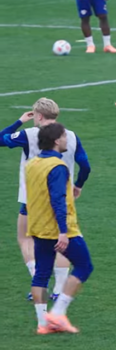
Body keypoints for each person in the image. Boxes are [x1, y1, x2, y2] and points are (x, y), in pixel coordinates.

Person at [1, 98, 90, 302]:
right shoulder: (71, 136)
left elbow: (0, 138)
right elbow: (85, 165)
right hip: (62, 197)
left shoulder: (28, 134)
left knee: (26, 238)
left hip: (32, 199)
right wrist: (79, 185)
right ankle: (59, 290)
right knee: (60, 240)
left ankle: (38, 284)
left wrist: (19, 121)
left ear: (38, 116)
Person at [25, 122, 94, 334]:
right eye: (64, 137)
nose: (66, 140)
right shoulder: (58, 167)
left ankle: (43, 323)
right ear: (56, 141)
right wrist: (63, 231)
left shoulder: (32, 164)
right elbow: (58, 200)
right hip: (58, 228)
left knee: (42, 274)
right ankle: (57, 313)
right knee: (84, 266)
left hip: (37, 226)